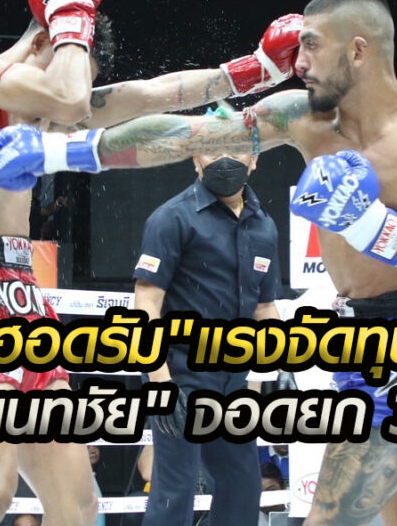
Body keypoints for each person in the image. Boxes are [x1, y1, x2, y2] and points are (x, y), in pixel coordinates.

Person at [0, 0, 397, 526]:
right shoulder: (303, 117)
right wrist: (62, 151)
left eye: (312, 45)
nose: (298, 62)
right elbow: (190, 135)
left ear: (358, 50)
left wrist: (374, 227)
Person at [0, 0, 297, 526]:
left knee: (78, 505)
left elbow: (148, 95)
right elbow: (68, 97)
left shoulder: (39, 115)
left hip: (22, 299)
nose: (78, 92)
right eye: (71, 59)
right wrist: (70, 17)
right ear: (44, 40)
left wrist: (252, 70)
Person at [133, 147, 282, 526]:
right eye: (213, 149)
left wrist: (268, 375)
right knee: (175, 491)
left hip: (234, 380)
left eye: (236, 149)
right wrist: (161, 384)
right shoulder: (171, 217)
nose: (225, 159)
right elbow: (146, 303)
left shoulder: (263, 225)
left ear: (254, 158)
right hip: (178, 375)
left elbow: (265, 309)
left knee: (243, 487)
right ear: (195, 159)